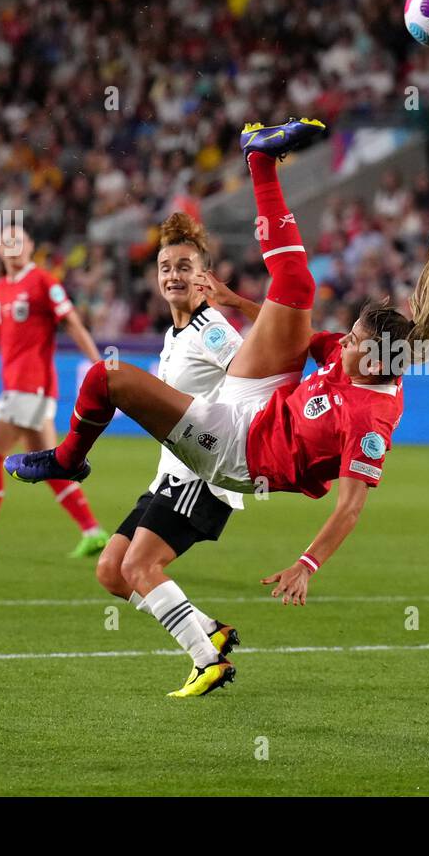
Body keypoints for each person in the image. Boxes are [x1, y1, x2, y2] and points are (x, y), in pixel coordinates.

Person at [4, 118, 429, 697]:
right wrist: (239, 300)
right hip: (258, 406)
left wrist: (308, 564)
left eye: (352, 341)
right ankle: (260, 159)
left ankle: (74, 464)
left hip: (239, 453)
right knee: (295, 285)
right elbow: (294, 331)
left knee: (109, 379)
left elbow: (351, 507)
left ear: (375, 362)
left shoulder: (370, 418)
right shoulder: (350, 358)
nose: (342, 341)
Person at [94, 212, 256, 694]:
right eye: (166, 267)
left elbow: (252, 375)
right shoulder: (174, 336)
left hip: (201, 475)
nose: (173, 276)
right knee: (111, 571)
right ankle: (209, 629)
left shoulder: (211, 329)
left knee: (140, 567)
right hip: (170, 473)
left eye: (184, 267)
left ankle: (207, 660)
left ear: (203, 276)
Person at [0, 227, 108, 559]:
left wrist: (96, 362)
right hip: (18, 388)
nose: (15, 248)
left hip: (31, 387)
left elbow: (72, 322)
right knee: (49, 465)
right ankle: (93, 531)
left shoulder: (43, 282)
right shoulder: (1, 289)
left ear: (31, 247)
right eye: (8, 242)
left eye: (20, 242)